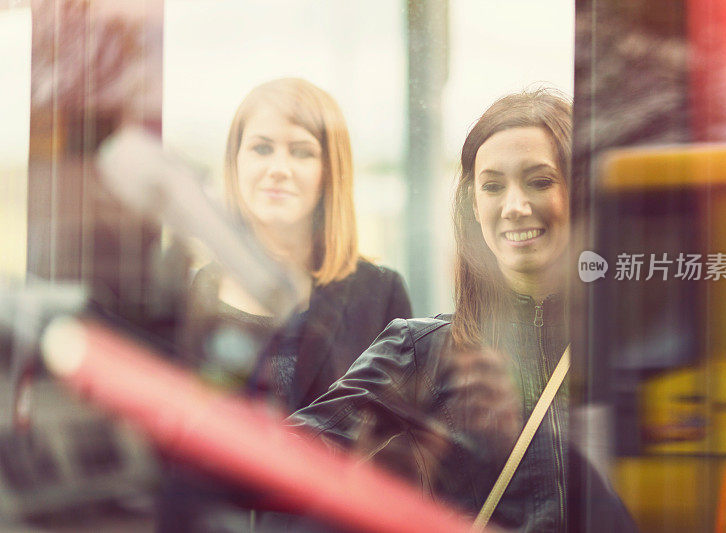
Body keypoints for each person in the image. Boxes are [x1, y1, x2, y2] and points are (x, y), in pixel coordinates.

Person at [286, 88, 636, 532]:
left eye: (540, 181)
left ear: (581, 191)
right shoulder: (420, 350)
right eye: (492, 186)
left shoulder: (630, 347)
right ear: (474, 206)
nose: (514, 206)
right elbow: (283, 458)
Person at [158, 78, 412, 532]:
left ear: (329, 171)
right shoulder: (188, 297)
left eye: (301, 151)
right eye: (261, 148)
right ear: (234, 163)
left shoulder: (380, 295)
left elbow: (400, 460)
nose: (279, 167)